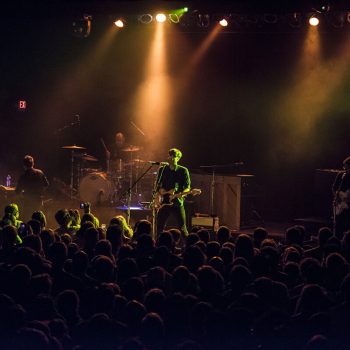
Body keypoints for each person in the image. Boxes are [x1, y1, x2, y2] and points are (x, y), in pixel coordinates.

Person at [155, 148, 191, 239]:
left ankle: (186, 247)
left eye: (173, 156)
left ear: (178, 158)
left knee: (183, 228)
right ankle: (158, 245)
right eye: (170, 155)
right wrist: (160, 191)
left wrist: (183, 193)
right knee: (159, 227)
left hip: (177, 202)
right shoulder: (163, 169)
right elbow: (157, 185)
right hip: (164, 202)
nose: (171, 158)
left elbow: (187, 187)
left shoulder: (183, 170)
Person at [333, 156, 350, 238]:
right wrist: (338, 197)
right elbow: (334, 188)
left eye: (346, 166)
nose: (344, 168)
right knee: (338, 225)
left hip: (348, 206)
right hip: (340, 205)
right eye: (344, 166)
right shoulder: (341, 175)